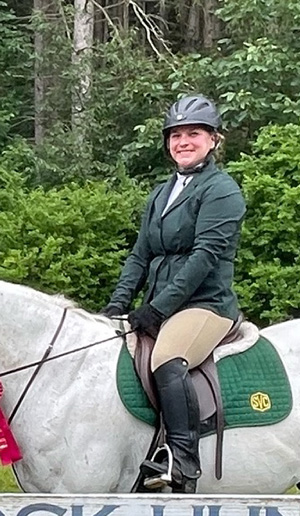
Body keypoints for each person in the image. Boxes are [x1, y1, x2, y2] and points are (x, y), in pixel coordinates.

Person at [102, 95, 246, 493]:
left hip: (205, 305)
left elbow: (203, 259)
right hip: (162, 304)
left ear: (214, 139)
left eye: (194, 134)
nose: (184, 141)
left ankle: (181, 460)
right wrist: (118, 302)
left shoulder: (222, 191)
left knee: (168, 357)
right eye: (176, 135)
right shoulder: (162, 193)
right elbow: (141, 252)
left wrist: (155, 308)